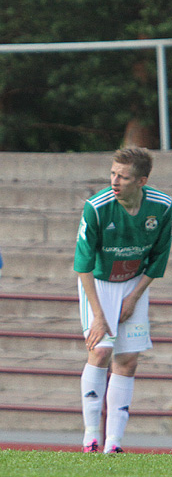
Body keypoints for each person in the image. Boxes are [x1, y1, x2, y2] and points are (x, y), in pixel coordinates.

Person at [75, 147, 171, 454]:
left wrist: (134, 297)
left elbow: (158, 258)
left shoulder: (163, 207)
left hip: (133, 284)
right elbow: (83, 265)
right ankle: (91, 437)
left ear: (142, 180)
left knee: (128, 360)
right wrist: (99, 315)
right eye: (113, 174)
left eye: (123, 177)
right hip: (99, 284)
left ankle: (114, 443)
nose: (115, 181)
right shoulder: (97, 207)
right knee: (100, 351)